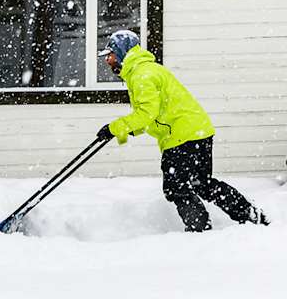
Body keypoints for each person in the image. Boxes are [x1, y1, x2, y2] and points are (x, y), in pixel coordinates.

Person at [96, 30, 269, 231]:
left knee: (176, 188)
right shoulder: (148, 70)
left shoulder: (141, 75)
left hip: (181, 136)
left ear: (122, 52)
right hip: (198, 131)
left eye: (110, 55)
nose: (108, 61)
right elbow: (153, 115)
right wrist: (122, 131)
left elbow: (146, 113)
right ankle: (250, 215)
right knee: (202, 184)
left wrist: (115, 127)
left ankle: (199, 229)